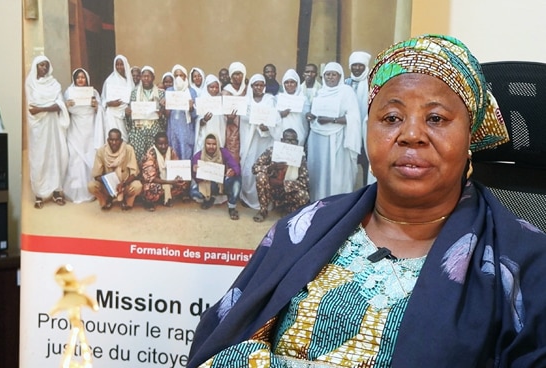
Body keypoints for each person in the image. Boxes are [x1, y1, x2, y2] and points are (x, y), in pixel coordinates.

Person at [186, 34, 546, 368]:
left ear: (470, 135)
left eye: (435, 118)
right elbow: (222, 341)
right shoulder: (304, 227)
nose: (411, 135)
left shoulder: (528, 262)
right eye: (391, 117)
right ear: (368, 130)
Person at [306, 61, 362, 201]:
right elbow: (316, 112)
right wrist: (311, 116)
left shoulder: (346, 92)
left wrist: (332, 120)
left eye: (333, 74)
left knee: (335, 173)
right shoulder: (320, 92)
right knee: (319, 170)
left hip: (337, 138)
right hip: (318, 137)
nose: (330, 77)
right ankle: (318, 200)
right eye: (327, 74)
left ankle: (336, 202)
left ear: (339, 76)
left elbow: (353, 117)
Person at [25, 55, 70, 209]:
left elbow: (60, 106)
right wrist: (47, 107)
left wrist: (42, 108)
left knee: (56, 157)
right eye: (40, 65)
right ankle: (39, 194)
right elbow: (31, 109)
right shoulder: (30, 83)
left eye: (45, 65)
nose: (43, 68)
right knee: (39, 158)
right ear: (36, 67)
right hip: (38, 128)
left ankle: (56, 192)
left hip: (54, 127)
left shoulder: (54, 84)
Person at [239, 73, 280, 210]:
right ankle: (247, 198)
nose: (258, 87)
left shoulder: (270, 99)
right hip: (250, 139)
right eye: (256, 85)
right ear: (251, 86)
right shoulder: (246, 101)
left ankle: (264, 201)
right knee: (248, 167)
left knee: (264, 168)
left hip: (265, 140)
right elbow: (243, 119)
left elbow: (274, 118)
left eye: (261, 85)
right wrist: (255, 123)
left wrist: (266, 127)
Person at [63, 68, 104, 203]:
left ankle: (91, 191)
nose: (80, 80)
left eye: (83, 77)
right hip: (75, 129)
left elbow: (101, 110)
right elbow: (63, 111)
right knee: (75, 158)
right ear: (74, 79)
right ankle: (76, 191)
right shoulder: (69, 92)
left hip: (90, 129)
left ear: (87, 79)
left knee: (90, 158)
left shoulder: (93, 92)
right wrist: (66, 106)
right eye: (78, 77)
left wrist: (96, 106)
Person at [251, 128, 309, 223]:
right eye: (287, 140)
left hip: (287, 192)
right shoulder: (272, 151)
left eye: (293, 140)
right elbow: (254, 168)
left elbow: (304, 182)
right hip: (271, 190)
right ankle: (263, 211)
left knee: (304, 196)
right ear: (282, 140)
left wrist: (284, 184)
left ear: (297, 142)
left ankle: (288, 210)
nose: (290, 143)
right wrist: (270, 168)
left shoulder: (301, 157)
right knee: (260, 176)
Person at [88, 128, 142, 211]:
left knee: (137, 186)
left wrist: (123, 184)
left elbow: (134, 173)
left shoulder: (128, 149)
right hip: (107, 186)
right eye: (111, 140)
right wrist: (110, 184)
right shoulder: (101, 151)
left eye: (116, 140)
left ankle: (126, 201)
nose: (114, 143)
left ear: (121, 140)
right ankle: (105, 200)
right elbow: (97, 175)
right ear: (108, 140)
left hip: (125, 184)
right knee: (91, 186)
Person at [190, 134, 242, 220]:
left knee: (237, 181)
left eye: (214, 144)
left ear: (217, 144)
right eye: (208, 144)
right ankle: (210, 198)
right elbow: (196, 179)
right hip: (208, 185)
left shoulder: (223, 152)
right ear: (205, 144)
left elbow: (236, 167)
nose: (211, 146)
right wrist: (195, 172)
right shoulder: (198, 156)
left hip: (222, 183)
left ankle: (232, 207)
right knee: (194, 192)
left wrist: (233, 171)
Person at [345, 51, 375, 187]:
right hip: (349, 131)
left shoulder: (371, 82)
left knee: (366, 164)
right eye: (354, 66)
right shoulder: (346, 83)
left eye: (360, 66)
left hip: (366, 130)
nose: (357, 68)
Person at [140, 132, 189, 211]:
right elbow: (151, 178)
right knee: (150, 188)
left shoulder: (171, 151)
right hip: (156, 182)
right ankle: (148, 202)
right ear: (155, 144)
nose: (163, 146)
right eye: (160, 144)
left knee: (184, 181)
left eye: (166, 144)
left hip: (169, 181)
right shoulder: (150, 155)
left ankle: (164, 198)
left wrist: (178, 177)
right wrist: (170, 182)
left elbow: (177, 167)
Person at [126, 66, 165, 162]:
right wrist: (128, 113)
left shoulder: (160, 94)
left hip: (154, 130)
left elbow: (164, 116)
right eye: (144, 76)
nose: (146, 79)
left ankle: (152, 176)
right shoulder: (134, 92)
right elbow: (131, 112)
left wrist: (161, 113)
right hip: (138, 130)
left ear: (153, 77)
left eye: (148, 76)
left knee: (153, 157)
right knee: (138, 157)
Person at [165, 64, 198, 160]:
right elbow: (167, 115)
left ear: (185, 77)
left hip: (187, 130)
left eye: (181, 75)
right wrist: (166, 106)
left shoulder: (191, 92)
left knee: (186, 152)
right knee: (173, 152)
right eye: (176, 76)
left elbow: (195, 115)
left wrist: (191, 108)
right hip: (173, 129)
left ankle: (186, 174)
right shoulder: (169, 91)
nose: (178, 78)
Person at [101, 55, 133, 142]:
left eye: (121, 64)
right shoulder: (109, 80)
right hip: (112, 114)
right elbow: (103, 99)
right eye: (117, 64)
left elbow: (133, 98)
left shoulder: (130, 81)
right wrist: (109, 103)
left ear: (125, 65)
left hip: (125, 115)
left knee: (124, 139)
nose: (119, 67)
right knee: (113, 138)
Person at [221, 61, 248, 163]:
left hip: (246, 128)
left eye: (240, 74)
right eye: (235, 74)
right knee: (233, 157)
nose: (238, 77)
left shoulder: (247, 91)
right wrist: (229, 118)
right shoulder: (225, 92)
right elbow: (221, 114)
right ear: (231, 76)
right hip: (232, 130)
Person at [277, 69, 310, 145]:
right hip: (281, 133)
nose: (289, 85)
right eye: (286, 82)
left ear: (297, 83)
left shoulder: (304, 99)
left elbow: (306, 117)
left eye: (292, 82)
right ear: (283, 84)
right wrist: (281, 114)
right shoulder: (278, 98)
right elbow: (273, 116)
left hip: (299, 132)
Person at [195, 74, 226, 153]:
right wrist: (204, 120)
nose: (214, 90)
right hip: (205, 133)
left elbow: (224, 120)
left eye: (216, 87)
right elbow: (199, 122)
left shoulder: (221, 101)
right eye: (211, 87)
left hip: (218, 133)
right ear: (207, 87)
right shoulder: (202, 100)